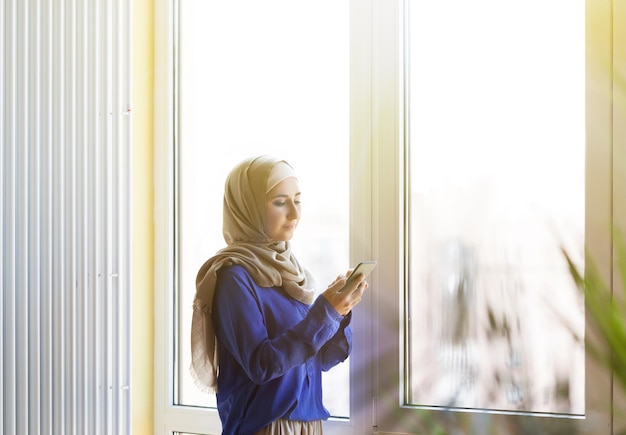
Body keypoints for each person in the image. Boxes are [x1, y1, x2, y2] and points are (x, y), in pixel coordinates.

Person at [190, 155, 369, 435]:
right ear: (248, 208)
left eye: (297, 200)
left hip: (309, 425)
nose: (294, 214)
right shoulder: (233, 278)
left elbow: (317, 360)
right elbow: (263, 365)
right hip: (266, 427)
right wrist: (325, 312)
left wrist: (339, 312)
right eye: (280, 202)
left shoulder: (294, 274)